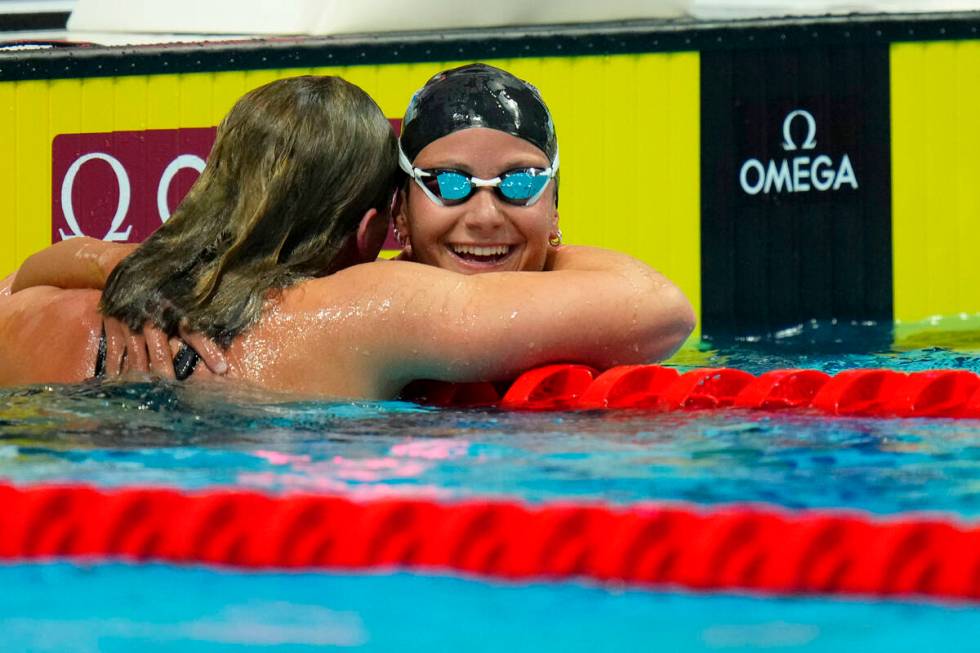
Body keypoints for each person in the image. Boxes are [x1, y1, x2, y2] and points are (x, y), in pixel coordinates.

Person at [2, 73, 694, 397]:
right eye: (446, 184)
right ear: (374, 228)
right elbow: (660, 308)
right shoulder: (366, 310)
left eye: (519, 185)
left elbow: (22, 275)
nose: (484, 214)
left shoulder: (34, 314)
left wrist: (146, 269)